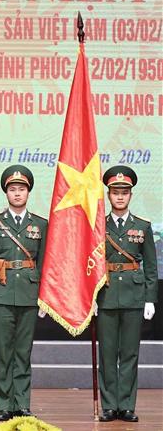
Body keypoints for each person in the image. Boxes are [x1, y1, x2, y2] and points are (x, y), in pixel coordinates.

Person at [0, 165, 48, 422]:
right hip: (2, 292)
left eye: (21, 189)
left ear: (28, 192)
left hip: (30, 293)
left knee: (23, 352)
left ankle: (23, 403)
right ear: (6, 193)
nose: (17, 193)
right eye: (12, 189)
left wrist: (45, 297)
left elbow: (45, 263)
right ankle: (5, 404)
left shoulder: (40, 224)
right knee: (4, 352)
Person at [97, 166, 158, 423]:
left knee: (130, 353)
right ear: (108, 195)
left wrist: (150, 299)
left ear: (131, 195)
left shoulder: (142, 226)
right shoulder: (98, 226)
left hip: (134, 295)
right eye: (115, 192)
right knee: (107, 354)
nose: (120, 197)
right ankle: (109, 406)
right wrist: (90, 297)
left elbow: (151, 266)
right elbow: (89, 264)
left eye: (124, 192)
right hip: (106, 295)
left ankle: (127, 405)